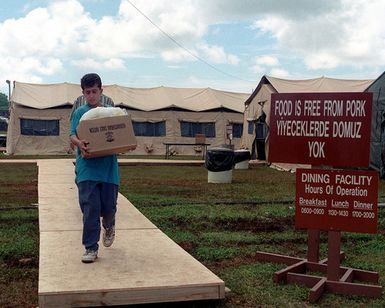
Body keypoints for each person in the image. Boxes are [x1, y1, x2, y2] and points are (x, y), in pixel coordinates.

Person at [69, 73, 119, 263]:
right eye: (87, 92)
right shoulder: (80, 113)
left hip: (108, 169)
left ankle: (109, 224)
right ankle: (90, 247)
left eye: (94, 91)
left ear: (101, 90)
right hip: (87, 169)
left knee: (108, 207)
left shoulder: (110, 113)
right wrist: (79, 143)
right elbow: (72, 134)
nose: (91, 96)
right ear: (83, 93)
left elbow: (119, 135)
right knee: (90, 208)